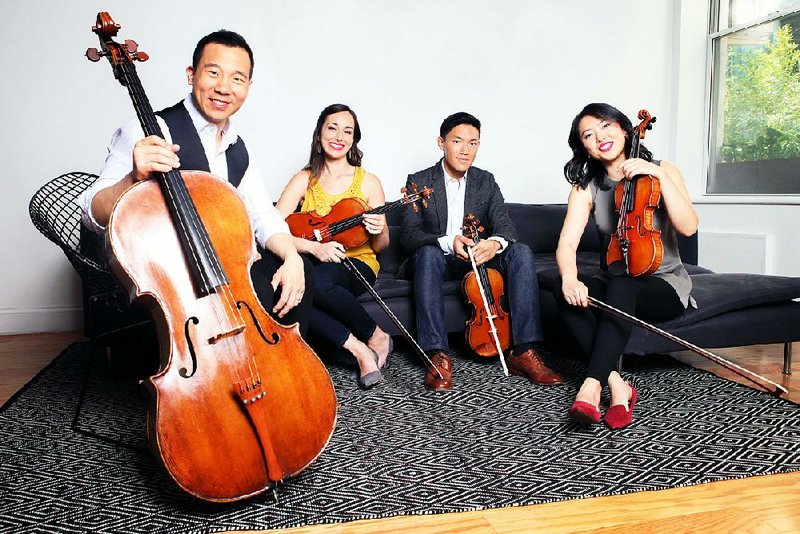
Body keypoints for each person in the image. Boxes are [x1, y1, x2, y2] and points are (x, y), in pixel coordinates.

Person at [77, 30, 314, 334]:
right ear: (192, 75)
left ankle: (285, 370)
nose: (223, 88)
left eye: (236, 79)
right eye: (213, 72)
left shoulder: (239, 148)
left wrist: (292, 255)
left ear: (248, 88)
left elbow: (262, 214)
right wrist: (132, 179)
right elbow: (89, 212)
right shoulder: (148, 130)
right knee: (260, 289)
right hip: (171, 276)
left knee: (301, 269)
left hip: (222, 264)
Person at [557, 102, 699, 429]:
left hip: (663, 285)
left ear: (624, 129)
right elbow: (567, 244)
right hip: (618, 280)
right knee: (560, 288)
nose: (600, 137)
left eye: (606, 126)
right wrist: (569, 279)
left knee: (622, 284)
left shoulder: (663, 169)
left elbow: (689, 226)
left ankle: (590, 385)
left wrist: (659, 175)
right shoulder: (586, 186)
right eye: (589, 135)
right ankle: (617, 386)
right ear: (586, 149)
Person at [401, 111, 563, 391]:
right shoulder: (419, 180)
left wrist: (494, 243)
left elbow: (506, 227)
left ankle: (524, 351)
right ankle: (436, 354)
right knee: (427, 255)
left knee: (521, 251)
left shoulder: (485, 181)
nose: (465, 150)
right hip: (438, 259)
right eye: (458, 142)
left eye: (473, 143)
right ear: (442, 143)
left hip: (476, 259)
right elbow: (409, 235)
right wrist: (448, 241)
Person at [276, 104, 393, 389]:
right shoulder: (304, 179)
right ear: (319, 134)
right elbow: (272, 228)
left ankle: (376, 336)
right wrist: (314, 249)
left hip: (358, 263)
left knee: (315, 285)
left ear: (353, 139)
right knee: (291, 290)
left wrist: (378, 230)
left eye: (347, 131)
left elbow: (381, 245)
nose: (339, 136)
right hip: (316, 260)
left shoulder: (368, 182)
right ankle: (361, 347)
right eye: (332, 128)